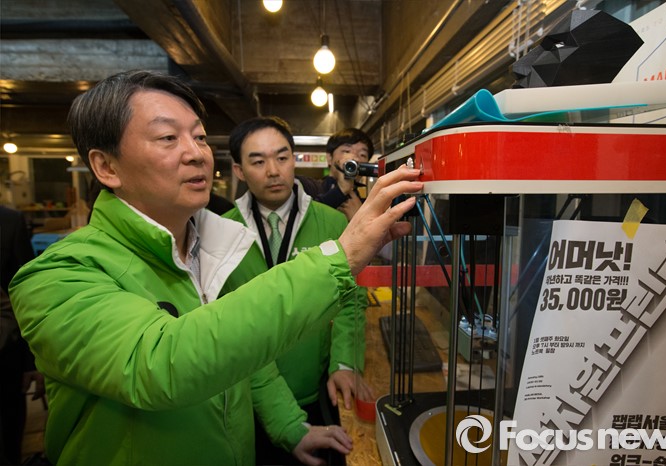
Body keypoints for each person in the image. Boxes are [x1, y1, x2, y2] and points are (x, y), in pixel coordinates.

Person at [8, 70, 422, 466]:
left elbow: (238, 353)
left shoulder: (214, 248)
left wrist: (289, 427)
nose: (196, 153)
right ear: (107, 167)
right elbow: (164, 363)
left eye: (200, 137)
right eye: (168, 137)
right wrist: (339, 258)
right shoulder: (58, 277)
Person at [224, 116, 373, 465]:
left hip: (318, 387)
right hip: (250, 398)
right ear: (239, 171)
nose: (273, 171)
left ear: (294, 160)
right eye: (258, 162)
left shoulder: (332, 222)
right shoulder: (222, 234)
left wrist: (345, 361)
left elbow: (351, 299)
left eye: (282, 157)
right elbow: (233, 334)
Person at [0, 206, 45, 465]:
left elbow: (27, 296)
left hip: (8, 357)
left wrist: (32, 362)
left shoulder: (9, 221)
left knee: (9, 437)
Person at [298, 128, 373, 221]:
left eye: (362, 155)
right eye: (347, 151)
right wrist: (340, 191)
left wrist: (361, 217)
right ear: (329, 158)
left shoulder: (368, 204)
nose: (355, 159)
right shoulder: (308, 188)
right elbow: (304, 219)